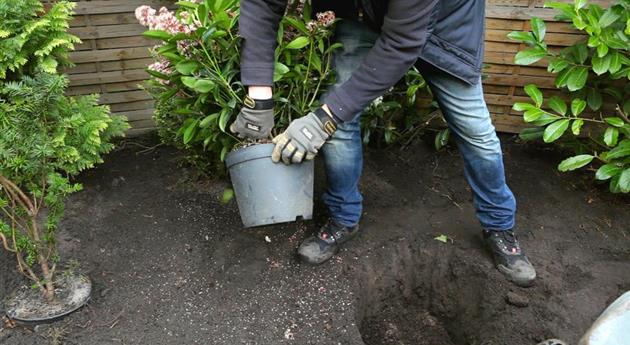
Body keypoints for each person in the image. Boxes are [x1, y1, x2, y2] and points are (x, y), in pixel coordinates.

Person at [232, 0, 537, 287]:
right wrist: (258, 93)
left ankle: (498, 225)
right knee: (339, 119)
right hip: (364, 15)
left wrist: (322, 120)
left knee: (475, 131)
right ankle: (343, 217)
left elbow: (402, 43)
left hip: (447, 28)